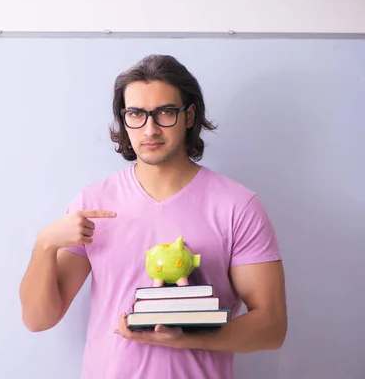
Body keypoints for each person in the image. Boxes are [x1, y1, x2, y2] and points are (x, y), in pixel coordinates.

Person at [18, 54, 287, 378]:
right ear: (124, 119)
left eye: (164, 113)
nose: (150, 128)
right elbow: (38, 319)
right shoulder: (93, 204)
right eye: (136, 114)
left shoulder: (237, 207)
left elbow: (272, 327)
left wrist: (188, 339)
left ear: (189, 116)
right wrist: (44, 244)